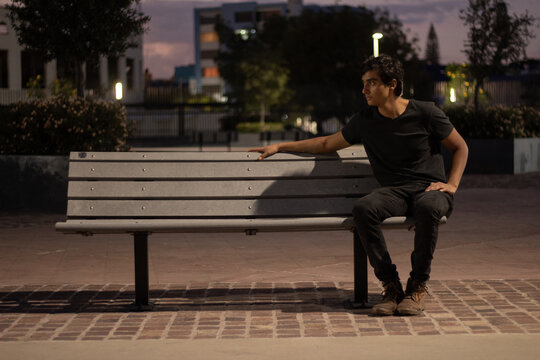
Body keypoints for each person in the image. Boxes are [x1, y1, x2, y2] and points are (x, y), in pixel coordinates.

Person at [249, 54, 468, 316]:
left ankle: (417, 286)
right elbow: (326, 144)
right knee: (364, 208)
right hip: (395, 192)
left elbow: (460, 147)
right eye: (364, 83)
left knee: (428, 207)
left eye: (372, 82)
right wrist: (280, 146)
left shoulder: (425, 112)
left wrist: (451, 184)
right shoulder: (365, 120)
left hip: (429, 189)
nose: (364, 89)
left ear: (392, 84)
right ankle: (391, 286)